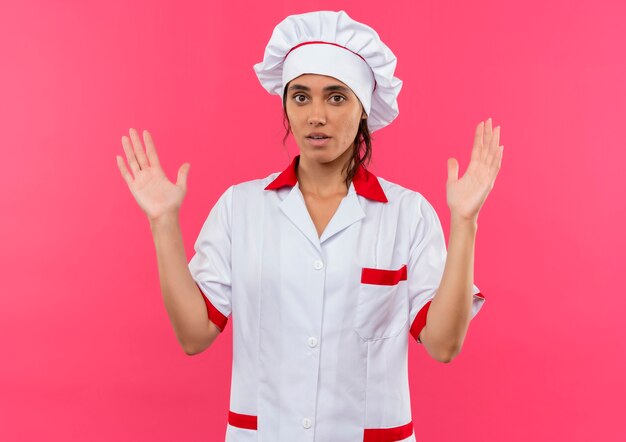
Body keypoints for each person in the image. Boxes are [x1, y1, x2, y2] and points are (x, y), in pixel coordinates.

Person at [116, 9, 503, 442]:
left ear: (363, 110)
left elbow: (443, 345)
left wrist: (465, 221)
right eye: (300, 97)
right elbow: (193, 335)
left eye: (336, 97)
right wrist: (163, 222)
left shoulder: (406, 214)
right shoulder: (241, 208)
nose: (315, 115)